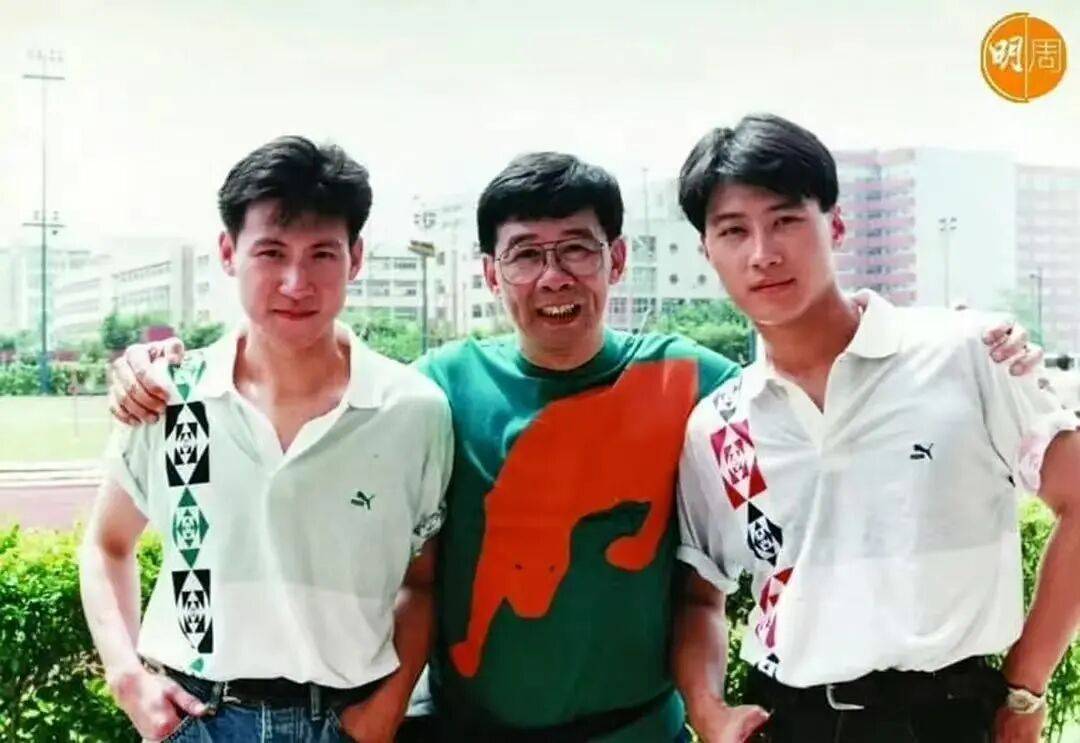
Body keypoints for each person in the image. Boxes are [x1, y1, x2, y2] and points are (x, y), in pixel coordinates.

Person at [108, 150, 1039, 742]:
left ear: (616, 260)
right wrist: (155, 368)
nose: (553, 276)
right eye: (525, 253)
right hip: (461, 730)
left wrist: (969, 340)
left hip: (641, 731)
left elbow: (805, 379)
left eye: (578, 250)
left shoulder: (699, 384)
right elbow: (327, 388)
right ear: (491, 272)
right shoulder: (432, 388)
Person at [671, 113, 1080, 743]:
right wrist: (708, 711)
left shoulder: (967, 354)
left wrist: (1026, 685)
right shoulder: (720, 426)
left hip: (951, 718)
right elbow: (702, 594)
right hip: (792, 721)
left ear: (835, 224)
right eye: (733, 231)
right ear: (708, 252)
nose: (762, 253)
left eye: (785, 220)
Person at [79, 136, 453, 742]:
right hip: (196, 717)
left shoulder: (412, 411)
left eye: (322, 254)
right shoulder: (170, 396)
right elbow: (107, 545)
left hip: (347, 719)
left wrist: (383, 712)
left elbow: (422, 580)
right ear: (229, 253)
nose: (296, 283)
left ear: (356, 258)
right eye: (271, 252)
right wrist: (128, 679)